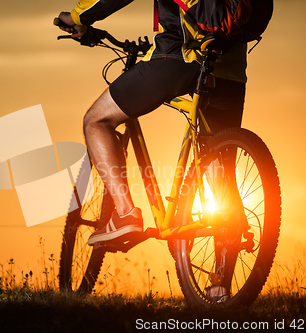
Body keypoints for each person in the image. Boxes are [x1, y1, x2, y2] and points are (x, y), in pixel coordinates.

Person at [57, 0, 247, 246]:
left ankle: (126, 214)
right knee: (221, 172)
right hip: (229, 69)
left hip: (179, 58)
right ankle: (220, 283)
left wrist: (77, 18)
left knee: (96, 121)